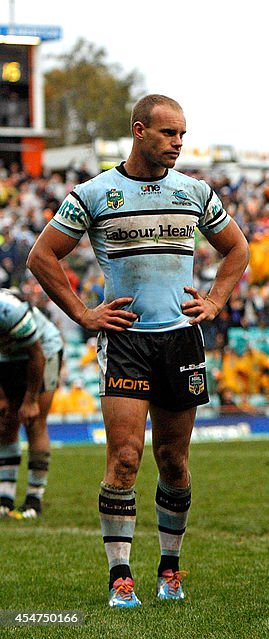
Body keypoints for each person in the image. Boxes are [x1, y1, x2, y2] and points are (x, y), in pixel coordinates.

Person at [27, 94, 250, 607]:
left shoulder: (194, 192)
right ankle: (120, 577)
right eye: (169, 134)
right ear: (139, 130)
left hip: (180, 340)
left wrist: (216, 299)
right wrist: (84, 313)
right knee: (125, 458)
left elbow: (237, 248)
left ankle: (169, 571)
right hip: (126, 340)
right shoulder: (94, 194)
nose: (177, 143)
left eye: (182, 135)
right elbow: (42, 256)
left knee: (173, 460)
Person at [0, 288, 63, 520]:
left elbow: (36, 355)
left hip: (43, 349)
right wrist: (3, 398)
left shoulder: (8, 309)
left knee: (34, 420)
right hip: (6, 356)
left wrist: (31, 399)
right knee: (5, 422)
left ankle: (34, 498)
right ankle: (4, 498)